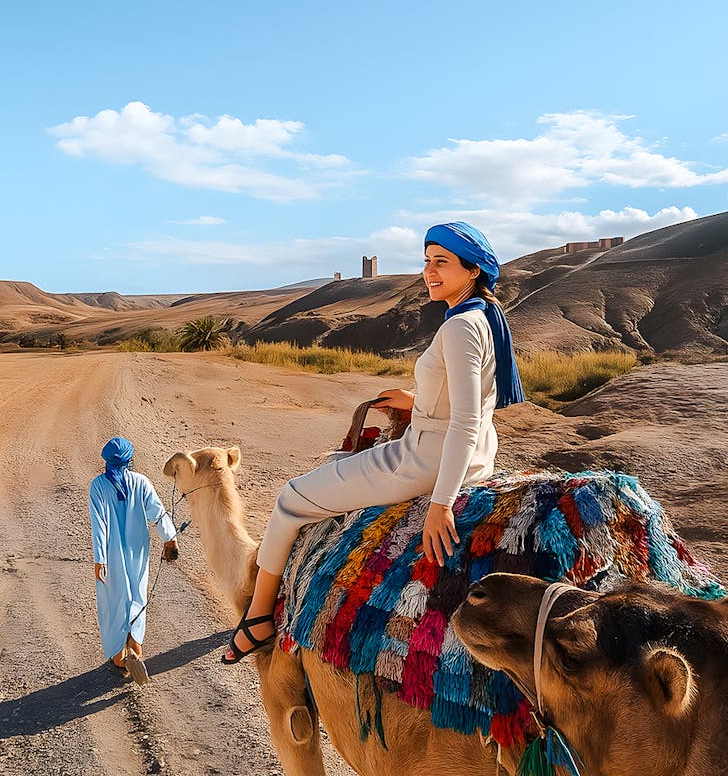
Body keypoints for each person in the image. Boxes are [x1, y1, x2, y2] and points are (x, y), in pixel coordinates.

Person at [222, 221, 525, 664]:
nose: (430, 271)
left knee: (290, 498)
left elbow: (463, 420)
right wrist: (417, 400)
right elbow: (473, 403)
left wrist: (441, 504)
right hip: (475, 455)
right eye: (427, 261)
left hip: (426, 459)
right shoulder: (483, 317)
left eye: (442, 262)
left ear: (473, 270)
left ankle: (258, 616)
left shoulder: (459, 328)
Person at [90, 436, 180, 683]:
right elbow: (157, 512)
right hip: (138, 549)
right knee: (137, 596)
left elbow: (99, 525)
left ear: (106, 461)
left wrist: (100, 560)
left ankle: (119, 654)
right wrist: (169, 538)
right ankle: (135, 646)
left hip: (110, 553)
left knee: (114, 599)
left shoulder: (98, 486)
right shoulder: (141, 482)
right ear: (130, 459)